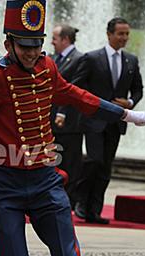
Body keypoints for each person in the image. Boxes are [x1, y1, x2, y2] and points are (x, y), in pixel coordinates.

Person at [0, 1, 145, 256]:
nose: (32, 53)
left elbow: (76, 95)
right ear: (8, 44)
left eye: (37, 45)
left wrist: (124, 114)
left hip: (45, 181)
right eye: (25, 46)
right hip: (4, 185)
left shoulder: (47, 66)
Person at [72, 17, 144, 224]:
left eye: (127, 34)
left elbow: (138, 89)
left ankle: (94, 210)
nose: (124, 38)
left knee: (105, 168)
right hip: (93, 120)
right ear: (109, 34)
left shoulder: (131, 60)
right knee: (94, 160)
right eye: (121, 34)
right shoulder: (92, 58)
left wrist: (130, 102)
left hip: (116, 122)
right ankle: (80, 200)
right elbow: (77, 88)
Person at [50, 24, 84, 206]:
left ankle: (69, 199)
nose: (52, 42)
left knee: (70, 161)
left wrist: (62, 112)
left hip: (70, 123)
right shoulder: (52, 58)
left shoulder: (79, 59)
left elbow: (74, 89)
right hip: (51, 120)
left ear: (65, 39)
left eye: (55, 38)